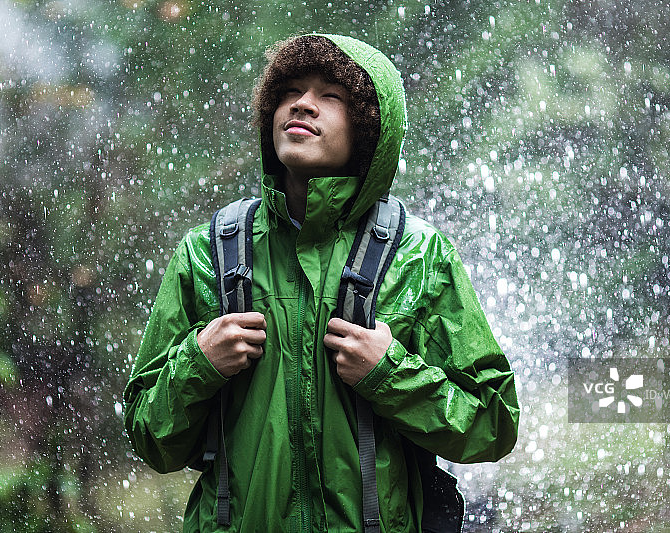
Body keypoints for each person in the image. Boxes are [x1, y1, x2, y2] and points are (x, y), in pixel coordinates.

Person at [124, 33, 519, 532]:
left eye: (330, 95)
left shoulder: (419, 257)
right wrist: (199, 364)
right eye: (289, 91)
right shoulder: (208, 253)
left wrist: (389, 374)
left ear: (369, 130)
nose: (303, 104)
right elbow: (150, 439)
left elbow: (492, 424)